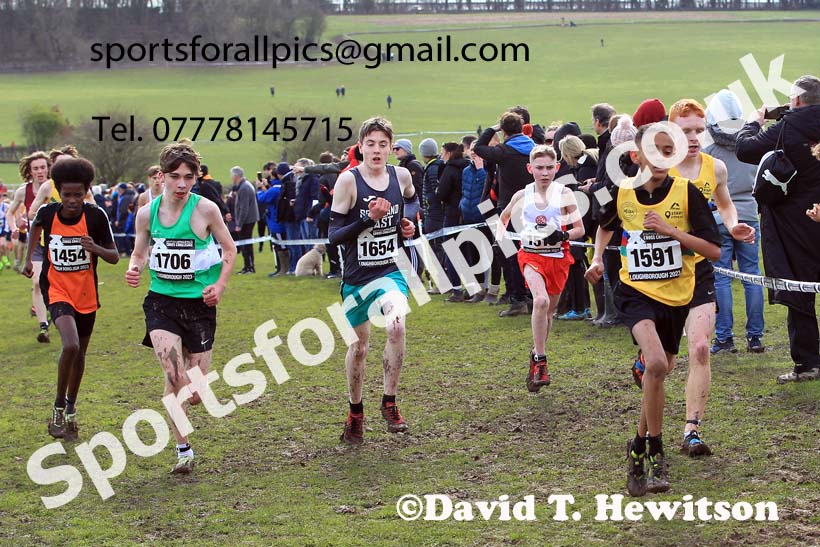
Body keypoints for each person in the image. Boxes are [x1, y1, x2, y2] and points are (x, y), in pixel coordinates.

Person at [586, 124, 721, 497]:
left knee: (660, 373)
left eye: (669, 149)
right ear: (637, 155)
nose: (663, 157)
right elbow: (605, 227)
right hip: (635, 292)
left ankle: (637, 444)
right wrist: (597, 259)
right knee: (657, 365)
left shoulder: (686, 193)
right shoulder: (621, 191)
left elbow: (713, 249)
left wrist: (671, 231)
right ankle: (655, 453)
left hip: (677, 295)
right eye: (655, 149)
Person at [650, 99, 754, 458]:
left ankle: (692, 430)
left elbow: (724, 203)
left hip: (699, 269)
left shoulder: (716, 167)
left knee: (699, 347)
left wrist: (732, 225)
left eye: (699, 129)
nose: (693, 137)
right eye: (685, 130)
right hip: (660, 273)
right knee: (663, 362)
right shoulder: (658, 169)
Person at [126, 141, 237, 474]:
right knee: (173, 375)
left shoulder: (206, 210)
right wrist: (134, 267)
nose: (181, 184)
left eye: (189, 177)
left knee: (195, 391)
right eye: (175, 176)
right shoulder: (147, 213)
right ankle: (183, 450)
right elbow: (139, 252)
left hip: (199, 305)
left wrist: (219, 285)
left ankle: (192, 398)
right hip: (161, 302)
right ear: (162, 176)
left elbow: (229, 251)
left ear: (196, 177)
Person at [327, 117, 417, 446]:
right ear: (360, 146)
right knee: (359, 347)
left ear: (391, 149)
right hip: (356, 278)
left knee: (396, 326)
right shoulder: (348, 182)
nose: (377, 150)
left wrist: (409, 223)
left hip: (389, 271)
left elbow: (412, 198)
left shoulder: (401, 175)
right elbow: (333, 238)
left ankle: (389, 402)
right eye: (371, 144)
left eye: (383, 145)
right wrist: (368, 219)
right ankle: (355, 411)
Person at [22, 158, 118, 440]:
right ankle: (58, 409)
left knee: (81, 355)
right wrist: (28, 260)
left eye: (78, 194)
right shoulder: (48, 212)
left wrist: (95, 247)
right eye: (67, 195)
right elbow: (35, 228)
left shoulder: (96, 216)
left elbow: (114, 257)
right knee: (71, 345)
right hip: (57, 289)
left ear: (87, 191)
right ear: (58, 191)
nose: (73, 200)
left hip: (86, 293)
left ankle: (73, 407)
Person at [736, 75, 820, 384]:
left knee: (798, 291)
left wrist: (754, 121)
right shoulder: (795, 122)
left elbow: (746, 149)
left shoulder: (789, 127)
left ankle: (808, 363)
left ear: (796, 100)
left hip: (792, 223)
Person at [497, 145, 584, 392]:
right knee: (541, 302)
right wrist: (501, 240)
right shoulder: (521, 195)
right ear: (530, 169)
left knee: (547, 314)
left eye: (549, 168)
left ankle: (536, 353)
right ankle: (541, 360)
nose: (544, 173)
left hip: (557, 258)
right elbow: (502, 219)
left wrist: (563, 235)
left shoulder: (565, 193)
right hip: (530, 257)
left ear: (557, 168)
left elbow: (580, 229)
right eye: (539, 168)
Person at [704, 90, 765, 355]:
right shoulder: (752, 147)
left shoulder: (708, 152)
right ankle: (755, 337)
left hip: (718, 217)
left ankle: (725, 338)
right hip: (750, 215)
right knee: (752, 276)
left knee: (721, 278)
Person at [474, 111, 536, 317]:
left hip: (509, 209)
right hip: (534, 206)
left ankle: (518, 299)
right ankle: (531, 295)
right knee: (532, 252)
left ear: (505, 130)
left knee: (512, 254)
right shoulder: (534, 149)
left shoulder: (503, 151)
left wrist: (492, 129)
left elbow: (479, 148)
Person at [8, 151, 52, 342]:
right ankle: (43, 327)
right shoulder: (22, 191)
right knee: (36, 282)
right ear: (30, 171)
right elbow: (10, 213)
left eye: (43, 167)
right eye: (36, 168)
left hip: (56, 242)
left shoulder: (55, 187)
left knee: (54, 282)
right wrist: (13, 228)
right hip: (36, 242)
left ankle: (56, 310)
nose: (40, 171)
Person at [230, 166, 259, 274]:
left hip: (247, 221)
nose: (231, 178)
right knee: (245, 244)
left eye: (232, 176)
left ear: (236, 176)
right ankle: (247, 266)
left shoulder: (244, 188)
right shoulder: (244, 186)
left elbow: (244, 208)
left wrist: (239, 224)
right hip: (248, 220)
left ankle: (249, 267)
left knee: (246, 244)